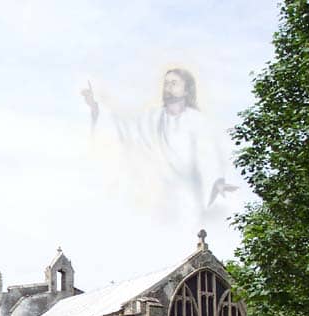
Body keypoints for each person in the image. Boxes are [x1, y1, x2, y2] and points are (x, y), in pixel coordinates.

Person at [82, 69, 237, 211]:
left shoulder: (197, 120)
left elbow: (209, 154)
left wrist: (218, 182)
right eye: (166, 83)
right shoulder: (151, 117)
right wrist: (95, 108)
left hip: (188, 195)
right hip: (158, 195)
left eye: (174, 83)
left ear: (186, 90)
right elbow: (123, 129)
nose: (168, 87)